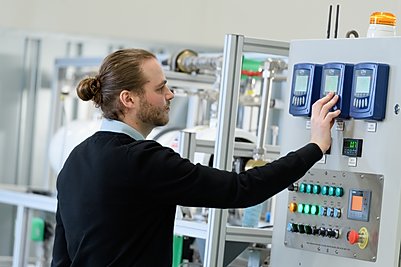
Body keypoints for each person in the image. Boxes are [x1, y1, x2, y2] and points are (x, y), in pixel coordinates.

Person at [51, 48, 340, 267]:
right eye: (160, 88)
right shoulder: (142, 160)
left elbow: (61, 258)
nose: (170, 94)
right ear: (129, 99)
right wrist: (315, 146)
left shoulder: (76, 159)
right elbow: (242, 188)